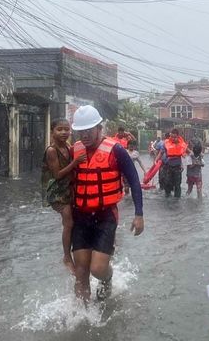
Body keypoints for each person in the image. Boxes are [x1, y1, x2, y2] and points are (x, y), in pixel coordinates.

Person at [70, 105, 144, 301]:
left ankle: (107, 278)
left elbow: (134, 180)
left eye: (88, 130)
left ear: (99, 128)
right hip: (81, 216)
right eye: (80, 131)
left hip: (105, 216)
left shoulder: (116, 150)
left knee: (97, 268)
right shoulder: (75, 150)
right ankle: (82, 317)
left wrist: (139, 214)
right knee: (81, 271)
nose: (84, 135)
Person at [41, 118, 86, 274]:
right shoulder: (52, 151)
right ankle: (66, 257)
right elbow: (58, 174)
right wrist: (75, 163)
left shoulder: (68, 147)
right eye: (59, 129)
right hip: (57, 191)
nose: (64, 132)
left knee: (74, 221)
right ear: (52, 131)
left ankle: (77, 249)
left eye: (66, 129)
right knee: (68, 221)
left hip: (69, 189)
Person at [156, 129, 187, 198]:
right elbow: (161, 152)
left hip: (177, 167)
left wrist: (183, 164)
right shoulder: (166, 143)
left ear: (178, 136)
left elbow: (184, 156)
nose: (173, 138)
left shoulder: (181, 144)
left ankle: (177, 200)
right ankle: (167, 197)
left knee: (177, 184)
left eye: (175, 137)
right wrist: (156, 160)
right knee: (167, 183)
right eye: (172, 137)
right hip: (168, 166)